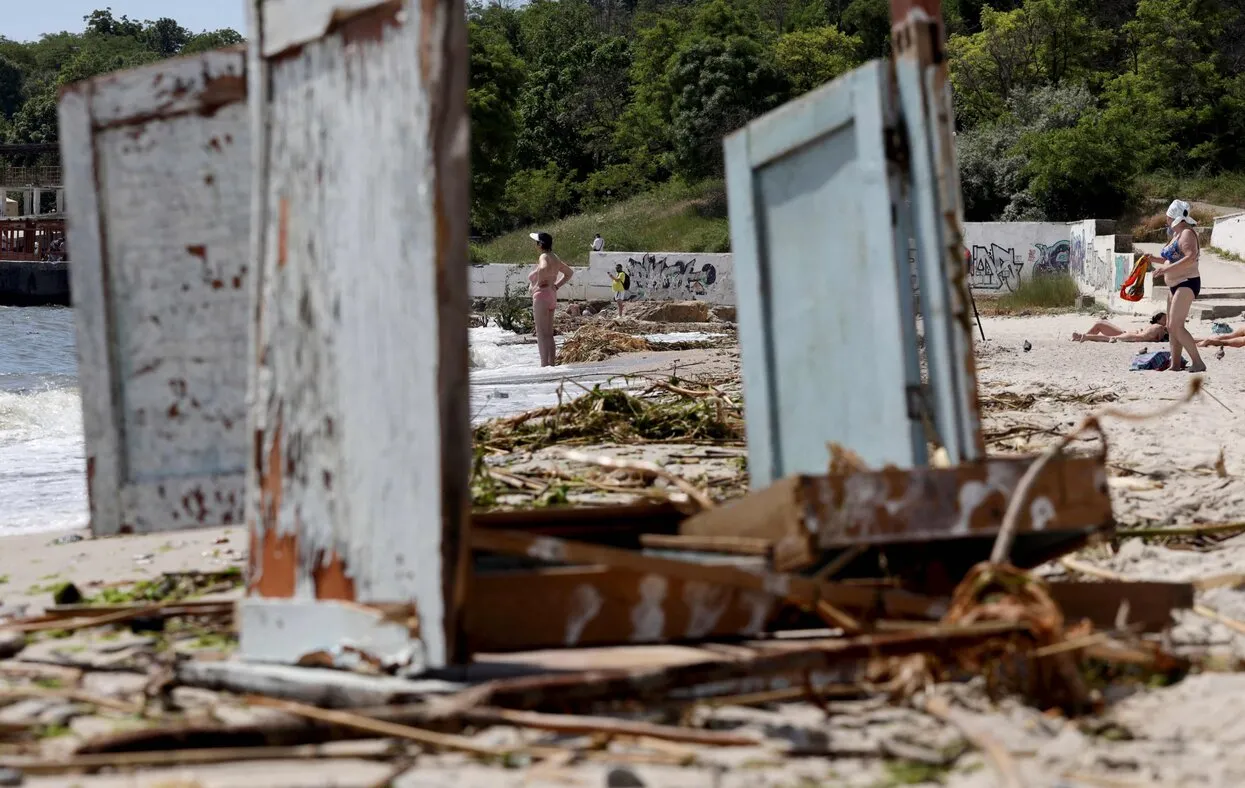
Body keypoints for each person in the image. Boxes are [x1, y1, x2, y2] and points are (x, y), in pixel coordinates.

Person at [1151, 199, 1205, 372]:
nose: (1166, 220)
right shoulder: (1176, 235)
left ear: (1174, 217)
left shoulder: (1187, 234)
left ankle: (1198, 362)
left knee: (1175, 325)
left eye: (1168, 217)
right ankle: (1175, 364)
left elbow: (1190, 257)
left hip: (1186, 283)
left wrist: (1165, 269)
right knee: (1171, 327)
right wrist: (1152, 259)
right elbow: (1172, 258)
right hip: (1174, 285)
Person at [528, 231, 574, 367]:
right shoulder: (555, 257)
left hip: (541, 296)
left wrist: (537, 284)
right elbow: (569, 272)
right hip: (552, 296)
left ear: (540, 244)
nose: (536, 245)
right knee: (548, 333)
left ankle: (544, 366)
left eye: (537, 242)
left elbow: (543, 268)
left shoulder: (544, 256)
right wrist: (557, 285)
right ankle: (551, 365)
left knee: (541, 333)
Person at [1072, 312, 1168, 343]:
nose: (1166, 321)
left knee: (1100, 323)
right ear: (1159, 320)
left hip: (1128, 333)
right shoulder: (1160, 328)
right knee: (1109, 337)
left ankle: (1081, 336)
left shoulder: (1151, 326)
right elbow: (1159, 339)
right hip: (1132, 336)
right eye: (1164, 319)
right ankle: (1086, 336)